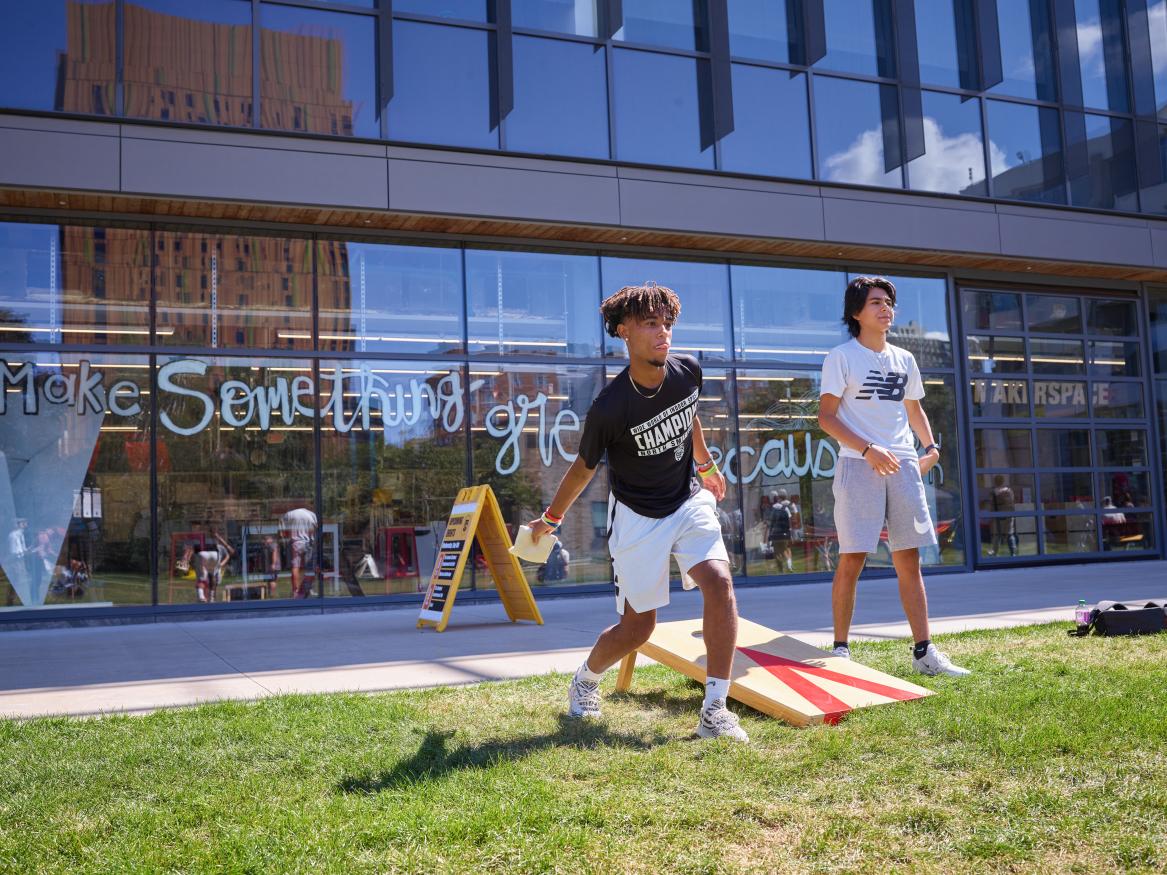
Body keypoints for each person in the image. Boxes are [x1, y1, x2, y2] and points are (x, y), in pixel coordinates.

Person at [528, 281, 748, 742]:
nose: (662, 332)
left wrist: (705, 466)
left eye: (666, 323)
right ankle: (586, 679)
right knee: (638, 628)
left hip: (687, 500)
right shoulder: (609, 408)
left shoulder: (688, 371)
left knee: (720, 582)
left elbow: (689, 417)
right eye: (650, 323)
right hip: (636, 516)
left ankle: (714, 709)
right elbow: (583, 469)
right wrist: (550, 521)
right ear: (624, 331)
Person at [818, 276, 970, 677]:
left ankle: (925, 653)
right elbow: (826, 417)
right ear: (856, 313)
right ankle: (840, 650)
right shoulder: (841, 357)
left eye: (889, 302)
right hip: (858, 463)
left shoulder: (904, 359)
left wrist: (932, 448)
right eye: (876, 303)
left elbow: (914, 409)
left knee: (909, 560)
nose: (886, 309)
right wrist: (867, 449)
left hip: (903, 464)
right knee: (853, 557)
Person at [185, 528, 234, 603]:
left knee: (202, 577)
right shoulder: (212, 540)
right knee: (210, 577)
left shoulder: (201, 537)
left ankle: (202, 597)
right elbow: (217, 536)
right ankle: (211, 598)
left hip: (205, 555)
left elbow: (189, 550)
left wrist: (185, 563)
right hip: (214, 555)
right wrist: (227, 546)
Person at [280, 506, 318, 599]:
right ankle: (304, 590)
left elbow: (283, 532)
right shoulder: (311, 514)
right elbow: (313, 530)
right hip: (308, 542)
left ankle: (295, 591)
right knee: (310, 568)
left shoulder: (289, 514)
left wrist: (288, 537)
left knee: (295, 567)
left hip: (295, 543)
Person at [989, 475, 1018, 557]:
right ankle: (1010, 552)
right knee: (1004, 535)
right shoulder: (1008, 490)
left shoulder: (1002, 491)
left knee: (1004, 535)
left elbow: (994, 504)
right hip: (1005, 515)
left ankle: (1011, 552)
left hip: (1004, 515)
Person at [767, 488, 794, 573]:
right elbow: (789, 521)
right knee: (785, 550)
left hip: (775, 534)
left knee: (777, 552)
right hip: (785, 534)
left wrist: (769, 535)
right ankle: (789, 566)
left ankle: (781, 569)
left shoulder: (772, 509)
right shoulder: (785, 508)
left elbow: (770, 523)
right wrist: (790, 533)